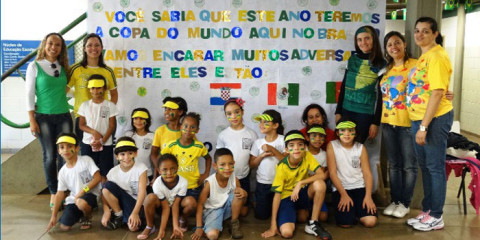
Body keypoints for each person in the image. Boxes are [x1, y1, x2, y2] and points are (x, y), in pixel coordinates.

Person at [406, 17, 454, 232]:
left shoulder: (436, 56)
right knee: (426, 166)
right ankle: (427, 210)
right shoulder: (425, 56)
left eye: (425, 31)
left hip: (433, 120)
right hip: (420, 118)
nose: (420, 35)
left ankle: (436, 215)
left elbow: (436, 92)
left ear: (435, 33)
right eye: (417, 31)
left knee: (434, 167)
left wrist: (424, 126)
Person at [26, 32, 74, 209]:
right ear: (44, 45)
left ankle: (64, 190)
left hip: (64, 116)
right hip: (43, 118)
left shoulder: (63, 67)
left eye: (58, 45)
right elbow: (29, 95)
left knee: (65, 156)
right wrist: (32, 119)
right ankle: (54, 192)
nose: (54, 47)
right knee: (49, 156)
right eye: (51, 43)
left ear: (62, 48)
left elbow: (66, 91)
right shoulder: (34, 66)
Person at [261, 130, 331, 239]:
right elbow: (277, 196)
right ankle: (299, 213)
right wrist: (273, 225)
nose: (297, 148)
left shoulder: (306, 155)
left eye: (300, 144)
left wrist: (300, 183)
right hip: (287, 198)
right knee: (287, 233)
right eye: (292, 145)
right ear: (286, 150)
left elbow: (321, 175)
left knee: (320, 184)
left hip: (302, 192)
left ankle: (313, 223)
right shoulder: (281, 167)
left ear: (305, 147)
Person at [380, 31, 418, 218]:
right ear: (386, 49)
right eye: (389, 44)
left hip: (408, 124)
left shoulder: (415, 65)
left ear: (404, 44)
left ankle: (405, 202)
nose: (393, 47)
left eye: (397, 43)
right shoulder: (386, 69)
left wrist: (446, 93)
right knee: (394, 165)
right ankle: (395, 200)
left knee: (409, 165)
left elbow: (430, 86)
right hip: (388, 123)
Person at [161, 112, 212, 231]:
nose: (188, 129)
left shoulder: (199, 147)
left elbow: (208, 158)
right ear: (180, 127)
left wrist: (205, 174)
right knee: (172, 204)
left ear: (197, 130)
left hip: (192, 187)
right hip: (174, 187)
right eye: (185, 126)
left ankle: (183, 218)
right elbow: (161, 160)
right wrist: (163, 176)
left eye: (192, 127)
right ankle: (173, 217)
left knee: (192, 204)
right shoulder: (171, 145)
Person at [335, 25, 386, 143]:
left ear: (374, 39)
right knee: (344, 147)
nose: (363, 42)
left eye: (367, 38)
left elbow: (381, 97)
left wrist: (375, 122)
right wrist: (338, 111)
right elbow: (343, 87)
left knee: (357, 148)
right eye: (359, 39)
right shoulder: (352, 60)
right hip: (346, 111)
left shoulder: (381, 64)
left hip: (365, 114)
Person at [326, 120, 377, 228]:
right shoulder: (332, 146)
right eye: (343, 130)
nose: (347, 134)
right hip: (341, 188)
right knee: (345, 223)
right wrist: (343, 195)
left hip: (359, 187)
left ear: (355, 132)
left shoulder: (360, 148)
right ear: (337, 132)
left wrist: (368, 196)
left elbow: (367, 173)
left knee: (370, 221)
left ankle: (358, 212)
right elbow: (332, 173)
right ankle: (353, 212)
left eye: (350, 130)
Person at [68, 33, 118, 140]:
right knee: (86, 154)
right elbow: (64, 90)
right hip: (83, 120)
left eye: (97, 45)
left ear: (101, 48)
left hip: (104, 120)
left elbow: (114, 95)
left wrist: (108, 112)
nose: (93, 48)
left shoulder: (108, 71)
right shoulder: (76, 69)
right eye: (89, 45)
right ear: (84, 49)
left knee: (105, 153)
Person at [47, 133, 101, 231]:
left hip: (89, 195)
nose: (65, 150)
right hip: (74, 199)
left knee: (81, 203)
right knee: (64, 227)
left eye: (70, 146)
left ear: (77, 148)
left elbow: (97, 178)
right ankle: (79, 213)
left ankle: (87, 216)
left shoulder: (86, 160)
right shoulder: (62, 172)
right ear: (59, 151)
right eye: (62, 147)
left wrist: (82, 192)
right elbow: (60, 194)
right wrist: (53, 215)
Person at [191, 148, 247, 240]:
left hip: (226, 209)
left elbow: (242, 200)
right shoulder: (209, 183)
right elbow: (200, 204)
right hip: (213, 210)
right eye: (222, 165)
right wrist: (199, 227)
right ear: (215, 166)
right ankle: (219, 222)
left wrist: (244, 193)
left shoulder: (234, 179)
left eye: (230, 164)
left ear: (234, 163)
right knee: (212, 236)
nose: (227, 168)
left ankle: (233, 223)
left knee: (239, 193)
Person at [216, 98, 258, 216]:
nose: (233, 116)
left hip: (244, 177)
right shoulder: (223, 135)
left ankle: (241, 206)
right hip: (227, 177)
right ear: (226, 115)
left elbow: (252, 158)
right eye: (229, 114)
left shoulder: (251, 134)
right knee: (227, 207)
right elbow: (219, 158)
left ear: (242, 112)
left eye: (236, 112)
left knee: (243, 212)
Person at [101, 137, 148, 231]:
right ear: (116, 156)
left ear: (136, 153)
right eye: (122, 154)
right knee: (107, 187)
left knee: (133, 228)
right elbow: (104, 194)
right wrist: (106, 211)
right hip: (120, 203)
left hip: (136, 203)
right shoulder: (112, 172)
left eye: (130, 153)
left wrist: (135, 213)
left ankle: (124, 218)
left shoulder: (141, 168)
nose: (126, 158)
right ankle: (119, 215)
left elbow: (142, 193)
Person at [78, 75, 118, 183]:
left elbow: (112, 126)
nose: (96, 91)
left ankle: (104, 196)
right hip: (88, 144)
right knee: (88, 172)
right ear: (89, 89)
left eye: (99, 87)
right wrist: (94, 132)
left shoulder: (110, 105)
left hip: (106, 144)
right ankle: (89, 196)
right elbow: (81, 125)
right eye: (93, 88)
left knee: (106, 173)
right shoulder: (84, 105)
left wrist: (102, 141)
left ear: (104, 88)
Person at [138, 153, 188, 240]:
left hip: (176, 209)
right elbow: (165, 207)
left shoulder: (183, 182)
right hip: (162, 209)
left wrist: (175, 226)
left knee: (190, 201)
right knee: (149, 198)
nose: (169, 173)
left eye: (172, 168)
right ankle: (150, 226)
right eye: (164, 170)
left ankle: (181, 221)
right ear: (159, 171)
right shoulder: (157, 184)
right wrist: (162, 230)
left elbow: (176, 205)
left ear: (177, 168)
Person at [249, 110, 286, 220]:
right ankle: (257, 202)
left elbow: (286, 161)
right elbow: (251, 165)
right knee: (261, 216)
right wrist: (262, 156)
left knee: (279, 215)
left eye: (265, 122)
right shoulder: (258, 142)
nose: (261, 125)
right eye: (260, 122)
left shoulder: (283, 140)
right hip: (262, 184)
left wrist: (272, 149)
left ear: (275, 125)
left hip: (280, 183)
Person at [151, 97, 188, 181]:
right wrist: (158, 172)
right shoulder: (160, 131)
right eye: (165, 109)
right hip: (166, 177)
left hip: (183, 176)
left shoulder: (186, 131)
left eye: (171, 109)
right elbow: (154, 154)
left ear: (180, 112)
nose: (166, 112)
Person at [306, 124, 329, 222]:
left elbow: (321, 176)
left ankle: (313, 215)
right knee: (302, 218)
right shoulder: (303, 151)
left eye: (321, 136)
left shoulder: (324, 154)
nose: (317, 139)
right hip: (302, 188)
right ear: (307, 137)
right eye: (314, 136)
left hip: (317, 188)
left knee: (323, 217)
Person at [124, 108, 155, 182]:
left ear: (147, 121)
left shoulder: (152, 136)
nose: (138, 121)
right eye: (135, 118)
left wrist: (155, 176)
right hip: (130, 174)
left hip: (148, 174)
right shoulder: (128, 135)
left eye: (141, 118)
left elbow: (155, 156)